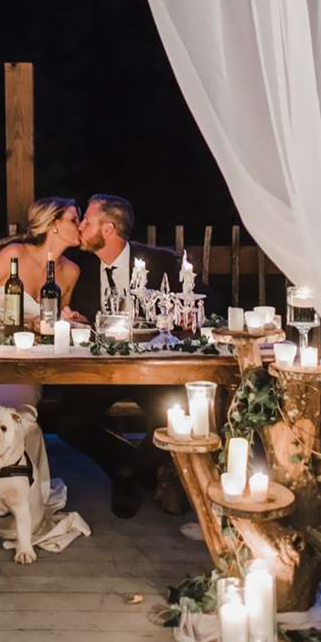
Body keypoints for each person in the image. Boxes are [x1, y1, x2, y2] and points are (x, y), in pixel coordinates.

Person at [59, 194, 205, 519]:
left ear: (108, 229)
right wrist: (76, 320)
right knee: (66, 418)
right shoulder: (81, 269)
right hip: (101, 372)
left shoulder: (163, 262)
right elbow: (78, 316)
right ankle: (134, 470)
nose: (80, 227)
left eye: (87, 222)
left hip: (152, 371)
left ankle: (125, 475)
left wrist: (186, 315)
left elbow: (203, 300)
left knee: (175, 414)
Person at [0, 197, 81, 410]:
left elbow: (57, 327)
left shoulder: (71, 271)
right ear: (54, 224)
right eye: (74, 219)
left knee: (20, 412)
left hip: (28, 362)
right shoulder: (15, 254)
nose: (80, 226)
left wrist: (68, 320)